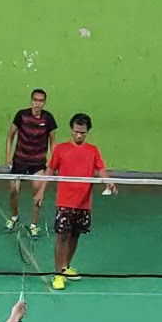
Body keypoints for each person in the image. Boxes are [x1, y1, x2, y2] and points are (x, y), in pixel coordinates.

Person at [46, 113, 116, 291]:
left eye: (82, 133)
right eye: (76, 131)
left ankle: (66, 267)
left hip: (84, 202)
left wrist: (108, 181)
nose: (79, 135)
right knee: (62, 236)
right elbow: (50, 170)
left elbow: (101, 169)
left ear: (87, 132)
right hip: (65, 201)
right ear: (71, 129)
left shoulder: (93, 150)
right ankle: (58, 274)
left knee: (75, 235)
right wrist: (40, 191)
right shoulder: (60, 149)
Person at [4, 89, 58, 238]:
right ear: (31, 101)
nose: (37, 103)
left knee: (37, 192)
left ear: (44, 103)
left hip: (37, 163)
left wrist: (54, 163)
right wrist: (8, 156)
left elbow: (53, 142)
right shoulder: (21, 115)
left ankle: (34, 225)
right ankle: (14, 217)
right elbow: (10, 136)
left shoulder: (48, 119)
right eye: (35, 100)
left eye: (41, 101)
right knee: (13, 190)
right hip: (19, 161)